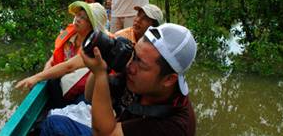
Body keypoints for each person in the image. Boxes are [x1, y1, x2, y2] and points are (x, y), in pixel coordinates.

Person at [40, 23, 197, 136]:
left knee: (55, 125)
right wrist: (102, 66)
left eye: (141, 63)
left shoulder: (175, 125)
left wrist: (101, 74)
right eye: (134, 55)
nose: (131, 66)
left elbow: (105, 134)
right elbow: (89, 96)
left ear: (169, 79)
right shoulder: (139, 79)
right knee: (55, 121)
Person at [16, 1, 107, 108]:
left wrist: (36, 77)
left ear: (92, 25)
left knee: (83, 102)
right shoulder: (68, 33)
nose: (77, 19)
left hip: (83, 91)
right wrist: (45, 71)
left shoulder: (94, 45)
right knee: (52, 81)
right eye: (78, 15)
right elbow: (54, 55)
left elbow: (69, 66)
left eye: (84, 18)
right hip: (63, 84)